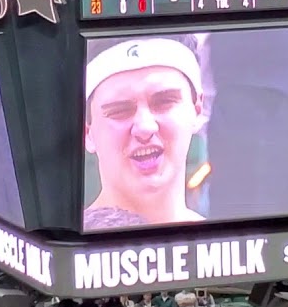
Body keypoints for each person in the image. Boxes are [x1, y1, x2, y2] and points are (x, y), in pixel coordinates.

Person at [83, 38, 206, 229]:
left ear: (198, 110)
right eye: (119, 111)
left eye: (165, 102)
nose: (145, 127)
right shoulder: (63, 252)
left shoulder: (237, 250)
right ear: (87, 133)